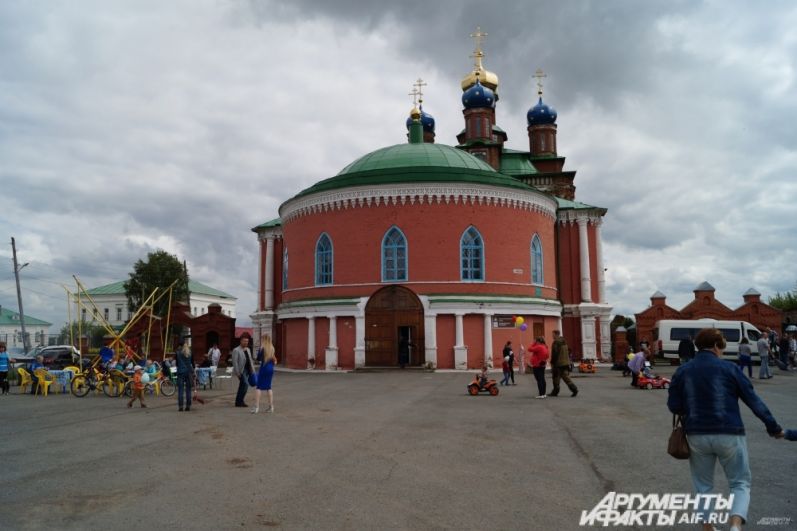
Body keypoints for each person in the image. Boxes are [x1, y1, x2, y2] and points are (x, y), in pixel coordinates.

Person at [668, 328, 783, 531]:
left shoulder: (683, 371)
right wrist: (773, 427)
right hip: (729, 432)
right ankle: (735, 526)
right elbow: (754, 401)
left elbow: (674, 406)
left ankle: (708, 528)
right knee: (739, 483)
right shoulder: (730, 369)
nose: (721, 350)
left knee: (703, 486)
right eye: (721, 346)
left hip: (696, 435)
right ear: (715, 346)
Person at [253, 335, 278, 414]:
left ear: (264, 340)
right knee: (269, 387)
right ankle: (271, 407)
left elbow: (258, 359)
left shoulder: (262, 348)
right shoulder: (272, 348)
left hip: (264, 368)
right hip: (271, 368)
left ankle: (256, 407)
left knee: (259, 387)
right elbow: (274, 359)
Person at [549, 330, 577, 397]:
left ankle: (555, 392)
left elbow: (555, 354)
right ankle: (574, 389)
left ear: (556, 334)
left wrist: (552, 362)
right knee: (566, 377)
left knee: (556, 377)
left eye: (553, 334)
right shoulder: (564, 341)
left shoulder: (556, 342)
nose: (552, 336)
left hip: (558, 363)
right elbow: (568, 351)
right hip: (565, 362)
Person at [231, 336, 254, 408]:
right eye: (244, 341)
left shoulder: (248, 349)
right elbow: (235, 362)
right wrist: (237, 373)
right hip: (242, 370)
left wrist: (253, 370)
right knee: (245, 385)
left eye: (247, 341)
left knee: (242, 386)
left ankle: (239, 401)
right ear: (241, 341)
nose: (246, 342)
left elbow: (250, 360)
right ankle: (240, 401)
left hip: (248, 370)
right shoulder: (236, 350)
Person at [175, 342, 194, 412]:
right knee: (188, 390)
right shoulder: (190, 353)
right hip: (188, 372)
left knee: (180, 390)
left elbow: (177, 363)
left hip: (180, 373)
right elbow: (192, 363)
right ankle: (188, 406)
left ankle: (180, 406)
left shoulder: (178, 353)